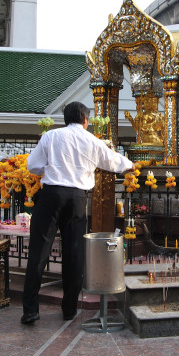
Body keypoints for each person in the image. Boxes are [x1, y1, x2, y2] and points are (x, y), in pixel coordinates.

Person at [21, 102, 134, 325]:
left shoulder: (51, 136)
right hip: (77, 198)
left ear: (65, 118)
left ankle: (30, 310)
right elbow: (112, 161)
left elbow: (32, 165)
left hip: (51, 195)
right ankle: (69, 309)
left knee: (39, 252)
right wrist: (131, 164)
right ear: (85, 119)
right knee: (74, 254)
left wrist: (52, 168)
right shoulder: (91, 140)